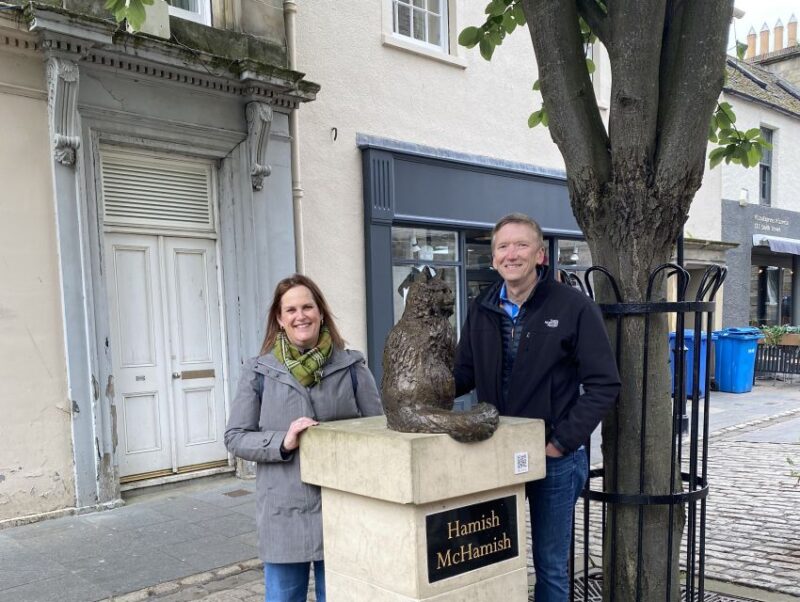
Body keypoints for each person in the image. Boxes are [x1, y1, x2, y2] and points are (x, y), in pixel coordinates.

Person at [453, 214, 620, 602]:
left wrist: (560, 443)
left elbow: (604, 384)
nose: (511, 254)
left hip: (554, 460)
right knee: (491, 554)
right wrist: (425, 390)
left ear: (540, 255)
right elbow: (465, 372)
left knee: (550, 565)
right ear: (493, 258)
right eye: (502, 247)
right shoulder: (482, 307)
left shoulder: (573, 306)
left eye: (520, 245)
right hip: (497, 451)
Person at [225, 274, 383, 602]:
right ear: (280, 320)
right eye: (291, 309)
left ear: (321, 312)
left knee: (341, 596)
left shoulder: (352, 366)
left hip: (340, 504)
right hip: (283, 508)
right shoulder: (258, 371)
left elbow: (378, 433)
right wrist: (283, 441)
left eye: (308, 307)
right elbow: (236, 437)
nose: (301, 316)